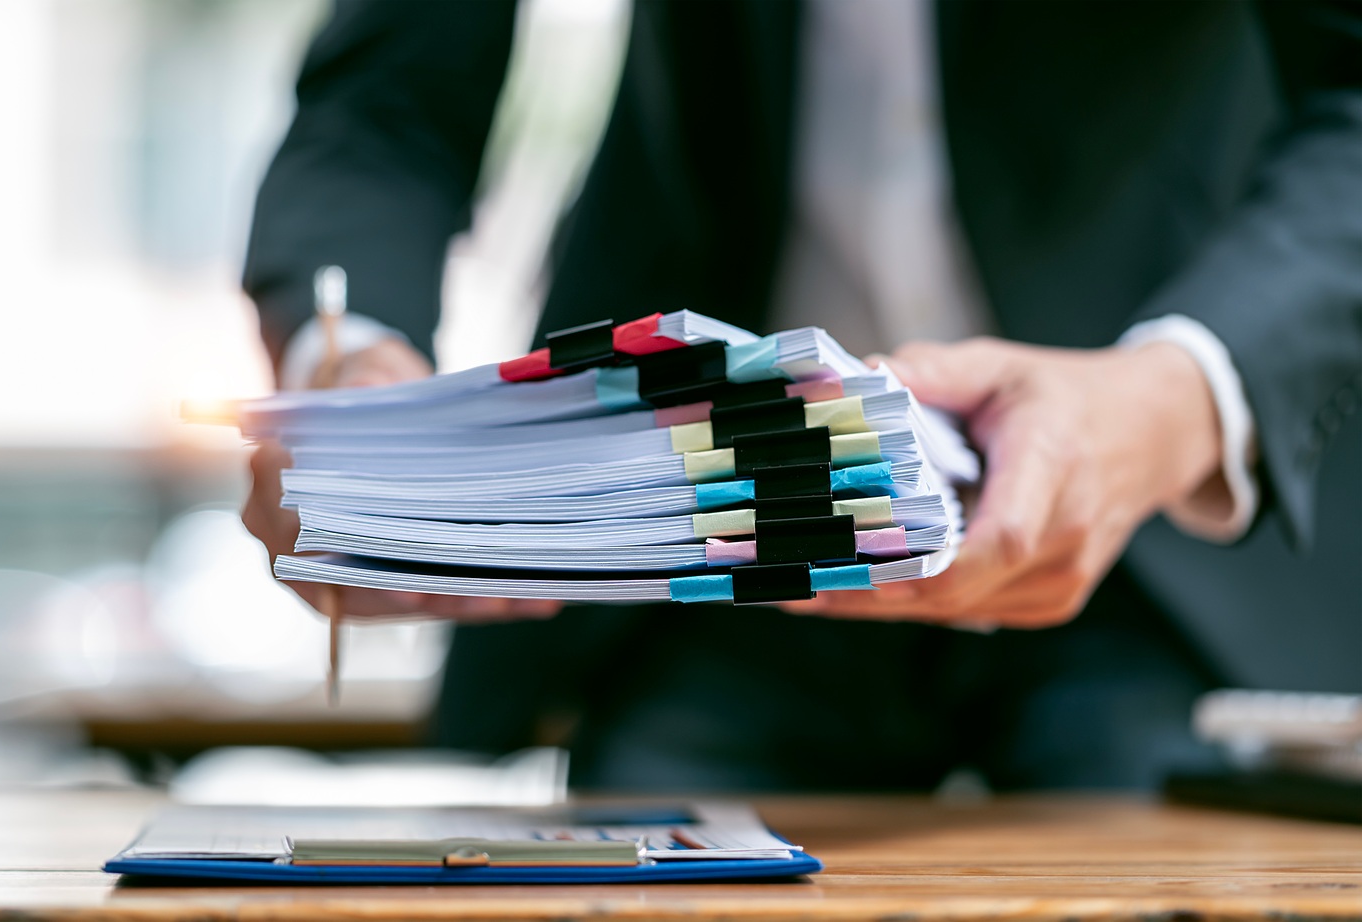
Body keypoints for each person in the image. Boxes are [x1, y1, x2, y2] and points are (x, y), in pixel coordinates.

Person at [239, 0, 1362, 790]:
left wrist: (1175, 395)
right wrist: (346, 377)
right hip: (716, 540)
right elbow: (384, 101)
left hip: (1152, 548)